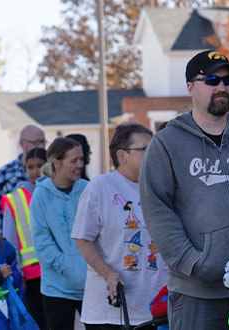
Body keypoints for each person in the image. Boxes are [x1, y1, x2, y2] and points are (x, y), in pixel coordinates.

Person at [140, 49, 229, 329]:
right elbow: (156, 209)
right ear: (190, 87)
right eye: (211, 80)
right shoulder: (167, 143)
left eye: (227, 80)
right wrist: (194, 263)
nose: (222, 87)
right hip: (197, 295)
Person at [73, 122, 165, 329]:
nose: (153, 154)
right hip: (110, 313)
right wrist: (108, 273)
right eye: (144, 149)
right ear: (122, 156)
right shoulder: (100, 186)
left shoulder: (162, 186)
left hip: (156, 309)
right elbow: (82, 240)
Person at [30, 138, 90, 330]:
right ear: (56, 162)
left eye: (81, 159)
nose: (80, 165)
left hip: (91, 285)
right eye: (74, 161)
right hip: (57, 289)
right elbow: (42, 241)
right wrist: (69, 267)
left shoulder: (87, 189)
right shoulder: (41, 195)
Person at [0, 147, 50, 328]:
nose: (35, 171)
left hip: (60, 270)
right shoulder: (15, 199)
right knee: (41, 321)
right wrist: (18, 271)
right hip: (33, 273)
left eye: (40, 165)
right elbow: (10, 241)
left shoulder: (57, 192)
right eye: (30, 167)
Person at [0, 125, 48, 200]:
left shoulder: (53, 169)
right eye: (37, 142)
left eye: (43, 142)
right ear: (22, 144)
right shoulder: (5, 172)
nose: (41, 146)